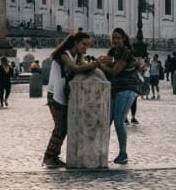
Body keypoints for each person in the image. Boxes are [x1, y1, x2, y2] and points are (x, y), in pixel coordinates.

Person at [42, 29, 102, 168]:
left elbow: (83, 65)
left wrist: (96, 64)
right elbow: (75, 68)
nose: (85, 48)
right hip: (55, 95)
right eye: (83, 44)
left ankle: (54, 156)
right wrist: (95, 64)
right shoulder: (64, 55)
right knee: (60, 127)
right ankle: (48, 157)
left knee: (63, 127)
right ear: (75, 42)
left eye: (87, 45)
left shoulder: (77, 55)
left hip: (63, 95)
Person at [99, 27, 140, 166]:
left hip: (127, 88)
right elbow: (109, 63)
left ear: (123, 39)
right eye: (113, 37)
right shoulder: (112, 51)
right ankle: (102, 151)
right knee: (107, 121)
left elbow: (115, 71)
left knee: (119, 121)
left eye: (118, 38)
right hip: (114, 89)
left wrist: (102, 65)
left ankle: (123, 153)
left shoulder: (126, 53)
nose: (115, 40)